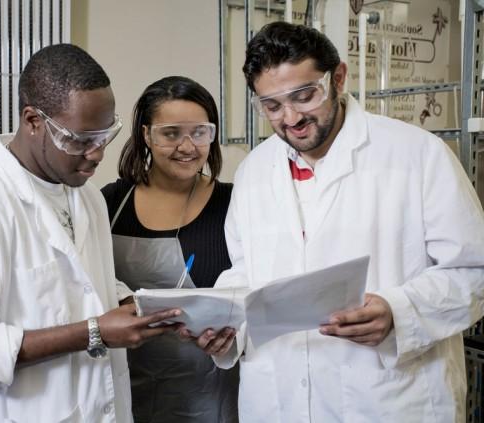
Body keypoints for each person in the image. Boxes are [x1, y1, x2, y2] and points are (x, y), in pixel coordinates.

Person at [192, 21, 484, 422]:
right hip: (278, 399)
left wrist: (399, 311)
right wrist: (225, 325)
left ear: (339, 77)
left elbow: (473, 270)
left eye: (305, 95)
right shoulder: (254, 171)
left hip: (388, 399)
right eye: (272, 106)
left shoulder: (417, 155)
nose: (291, 118)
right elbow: (246, 270)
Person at [0, 44, 182, 423]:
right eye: (80, 139)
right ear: (33, 121)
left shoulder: (86, 195)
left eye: (105, 136)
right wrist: (94, 332)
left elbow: (85, 285)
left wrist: (130, 306)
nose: (97, 154)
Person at [101, 76, 239, 422]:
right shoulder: (109, 203)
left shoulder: (234, 204)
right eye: (171, 133)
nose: (188, 146)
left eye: (200, 132)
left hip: (209, 394)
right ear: (146, 134)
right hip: (125, 389)